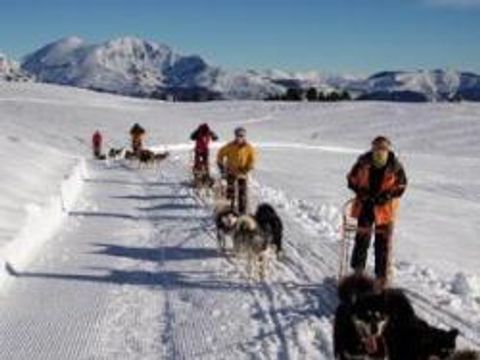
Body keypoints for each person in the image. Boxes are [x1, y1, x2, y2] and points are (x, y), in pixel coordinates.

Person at [347, 136, 407, 288]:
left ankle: (381, 277)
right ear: (372, 148)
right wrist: (361, 192)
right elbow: (351, 179)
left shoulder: (395, 166)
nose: (380, 151)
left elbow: (402, 185)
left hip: (385, 210)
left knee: (383, 244)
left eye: (383, 148)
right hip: (365, 206)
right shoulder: (362, 163)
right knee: (362, 240)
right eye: (377, 148)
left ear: (388, 149)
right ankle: (358, 272)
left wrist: (388, 195)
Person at [217, 127, 256, 214]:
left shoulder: (249, 148)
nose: (239, 138)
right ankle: (230, 210)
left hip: (242, 173)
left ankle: (242, 212)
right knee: (230, 191)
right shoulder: (230, 146)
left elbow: (252, 159)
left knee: (242, 193)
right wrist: (221, 165)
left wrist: (247, 168)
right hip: (231, 171)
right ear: (235, 136)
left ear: (244, 137)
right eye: (238, 136)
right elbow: (220, 153)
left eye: (241, 136)